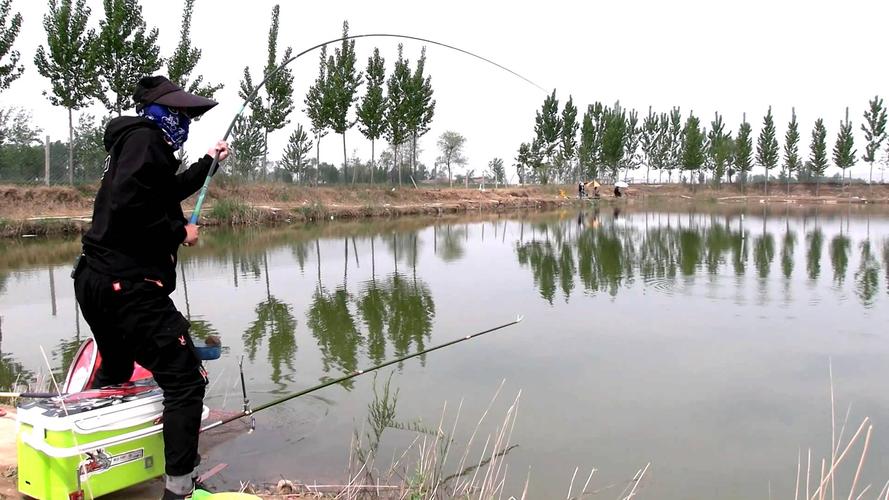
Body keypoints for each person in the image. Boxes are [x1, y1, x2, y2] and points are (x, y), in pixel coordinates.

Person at [72, 75, 230, 500]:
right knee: (184, 380)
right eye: (180, 114)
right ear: (161, 113)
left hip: (94, 280)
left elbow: (164, 192)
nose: (185, 122)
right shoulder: (146, 140)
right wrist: (181, 231)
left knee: (118, 368)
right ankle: (179, 490)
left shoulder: (135, 143)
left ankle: (87, 452)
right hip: (128, 285)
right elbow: (129, 203)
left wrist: (207, 163)